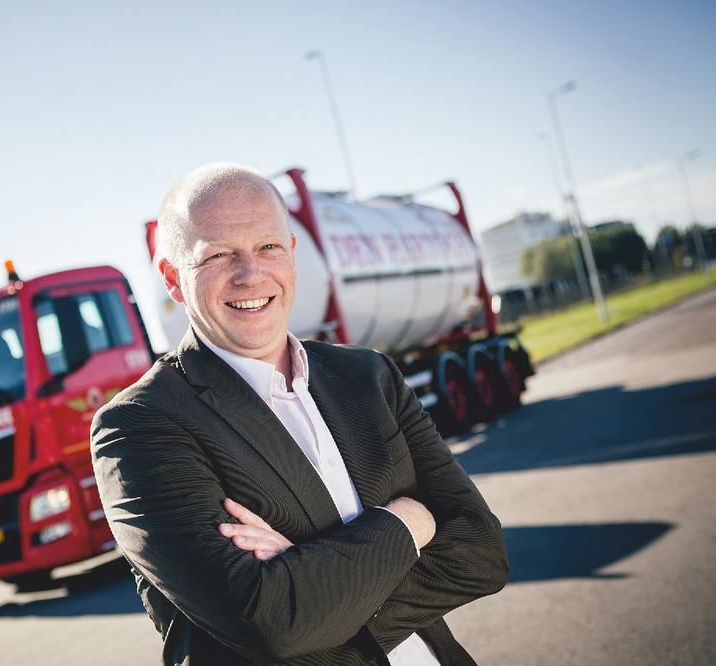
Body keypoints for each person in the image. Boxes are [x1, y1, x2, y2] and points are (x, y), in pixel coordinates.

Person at [91, 162, 508, 665]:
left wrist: (317, 592)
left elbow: (481, 552)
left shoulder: (367, 376)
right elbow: (272, 623)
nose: (251, 274)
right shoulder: (139, 428)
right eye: (218, 255)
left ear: (291, 253)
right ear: (173, 279)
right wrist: (410, 521)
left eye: (268, 247)